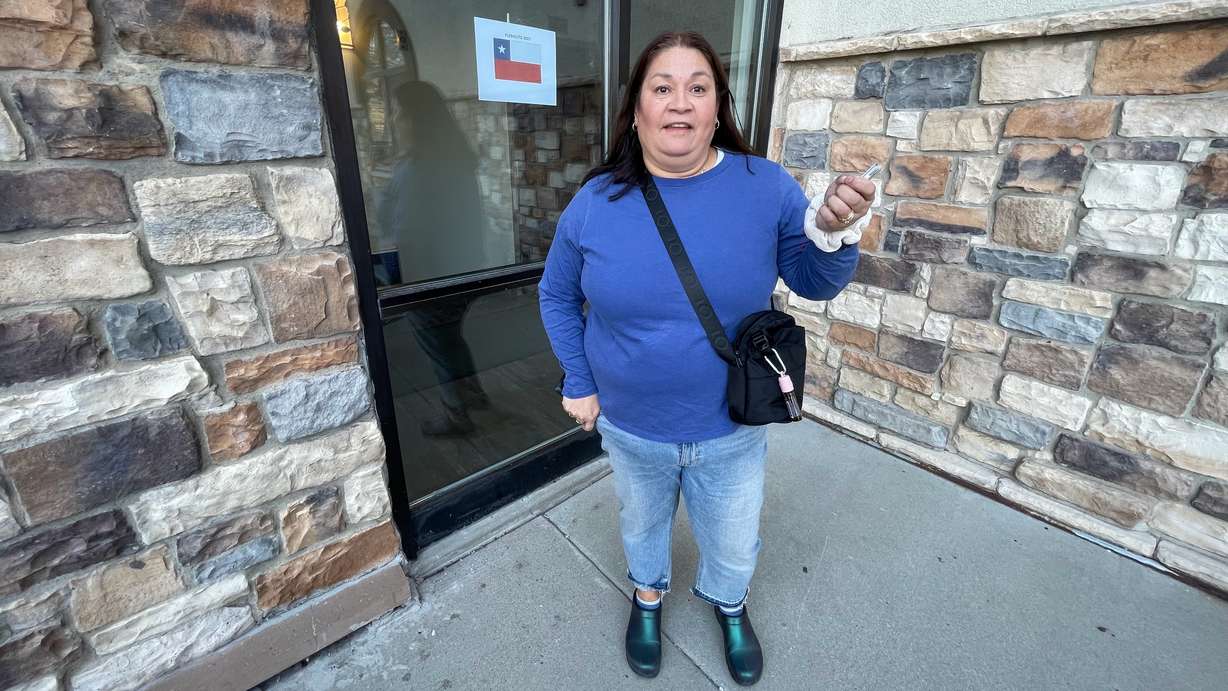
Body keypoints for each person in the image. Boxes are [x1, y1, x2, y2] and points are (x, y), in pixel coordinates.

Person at [537, 31, 873, 686]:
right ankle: (649, 596)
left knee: (732, 536)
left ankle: (730, 603)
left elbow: (812, 279)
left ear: (718, 108)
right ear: (636, 111)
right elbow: (556, 293)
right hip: (631, 423)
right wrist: (579, 379)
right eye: (661, 87)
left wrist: (835, 235)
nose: (680, 103)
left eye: (698, 87)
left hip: (730, 423)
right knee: (641, 524)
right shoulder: (596, 201)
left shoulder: (764, 186)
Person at [379, 81, 491, 435]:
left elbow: (407, 231)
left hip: (428, 277)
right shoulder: (455, 158)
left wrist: (399, 285)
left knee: (437, 344)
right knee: (451, 337)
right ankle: (473, 394)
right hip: (463, 271)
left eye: (399, 113)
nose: (395, 121)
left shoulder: (417, 167)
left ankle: (457, 416)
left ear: (415, 119)